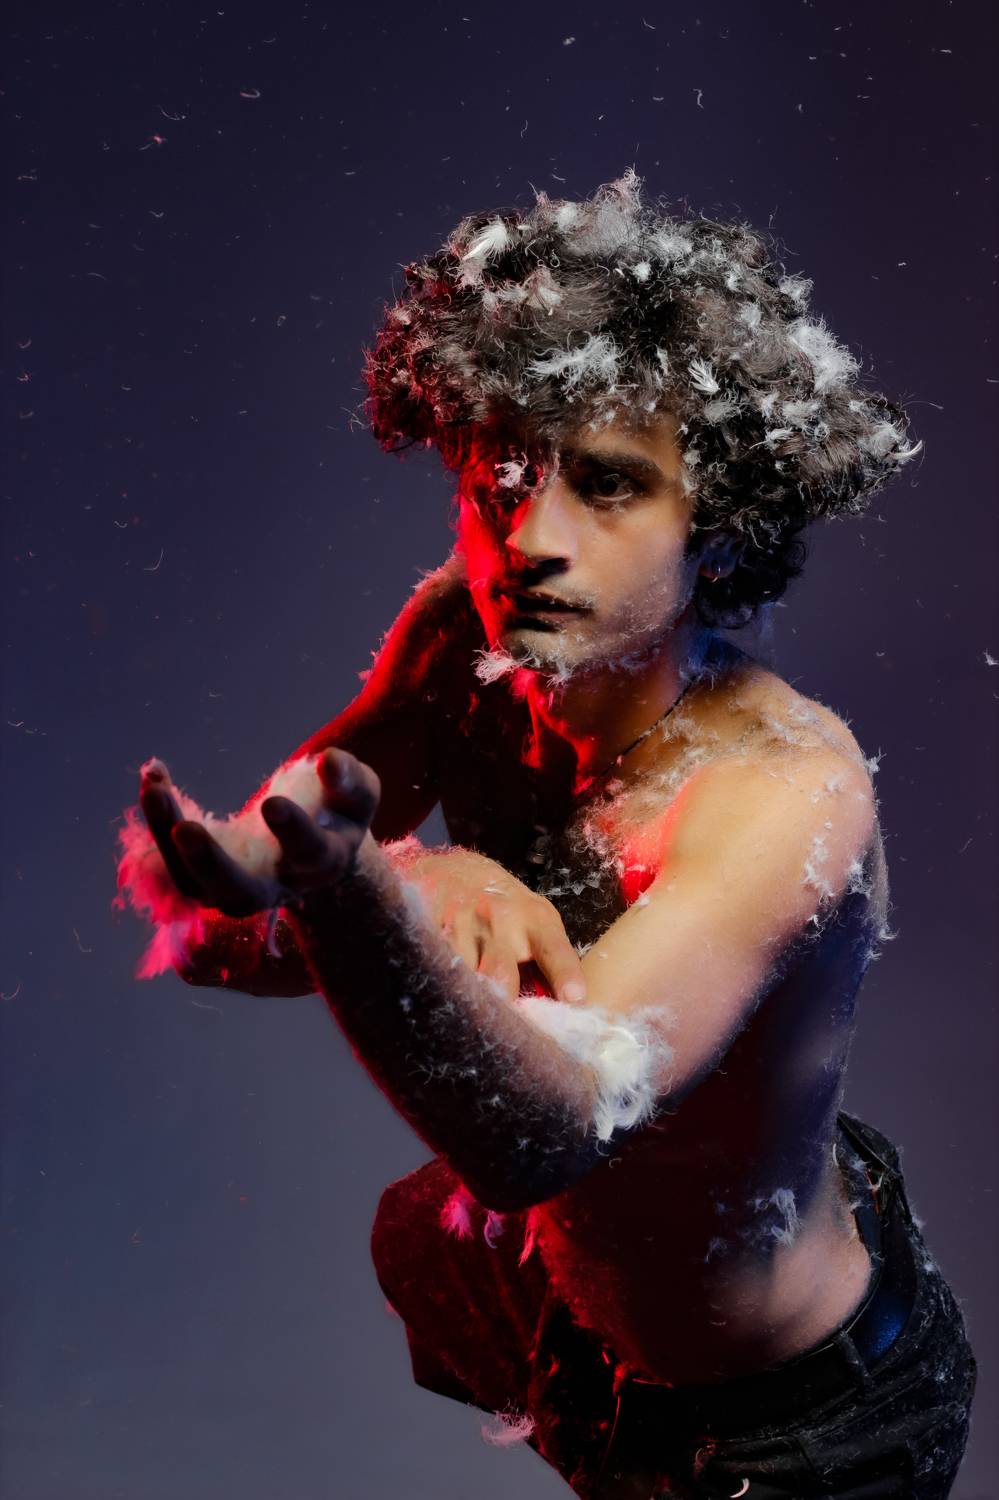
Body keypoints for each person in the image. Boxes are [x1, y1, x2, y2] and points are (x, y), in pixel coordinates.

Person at [117, 173, 977, 1498]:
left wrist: (361, 886)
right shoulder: (463, 644)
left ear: (719, 524)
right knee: (436, 1233)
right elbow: (228, 914)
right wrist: (394, 872)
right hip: (586, 1332)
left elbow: (549, 1131)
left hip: (799, 1429)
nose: (531, 538)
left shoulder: (782, 792)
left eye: (610, 485)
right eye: (499, 476)